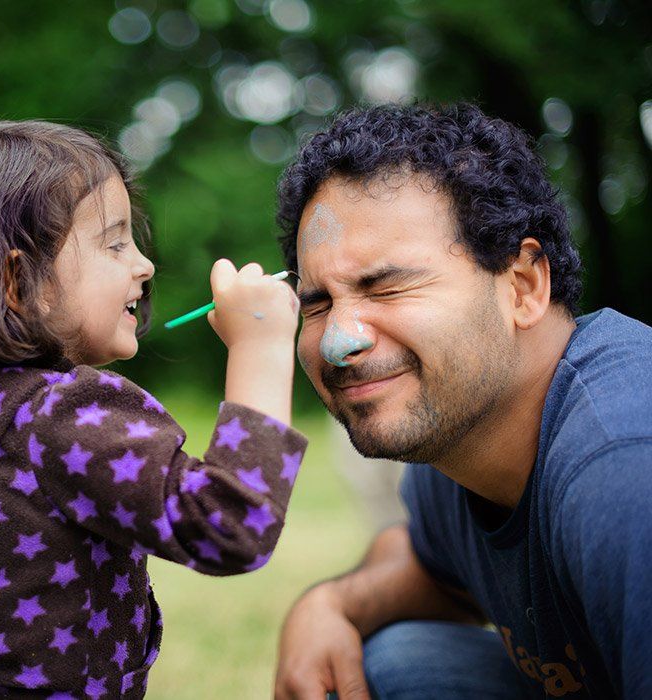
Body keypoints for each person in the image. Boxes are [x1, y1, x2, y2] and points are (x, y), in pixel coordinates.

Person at [0, 120, 306, 698]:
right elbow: (232, 524)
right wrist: (260, 345)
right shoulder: (61, 415)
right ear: (19, 281)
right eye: (114, 243)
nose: (144, 264)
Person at [271, 104, 652, 699]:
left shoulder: (624, 469)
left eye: (387, 286)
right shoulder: (467, 430)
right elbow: (430, 566)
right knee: (396, 663)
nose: (340, 341)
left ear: (523, 286)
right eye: (317, 304)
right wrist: (329, 605)